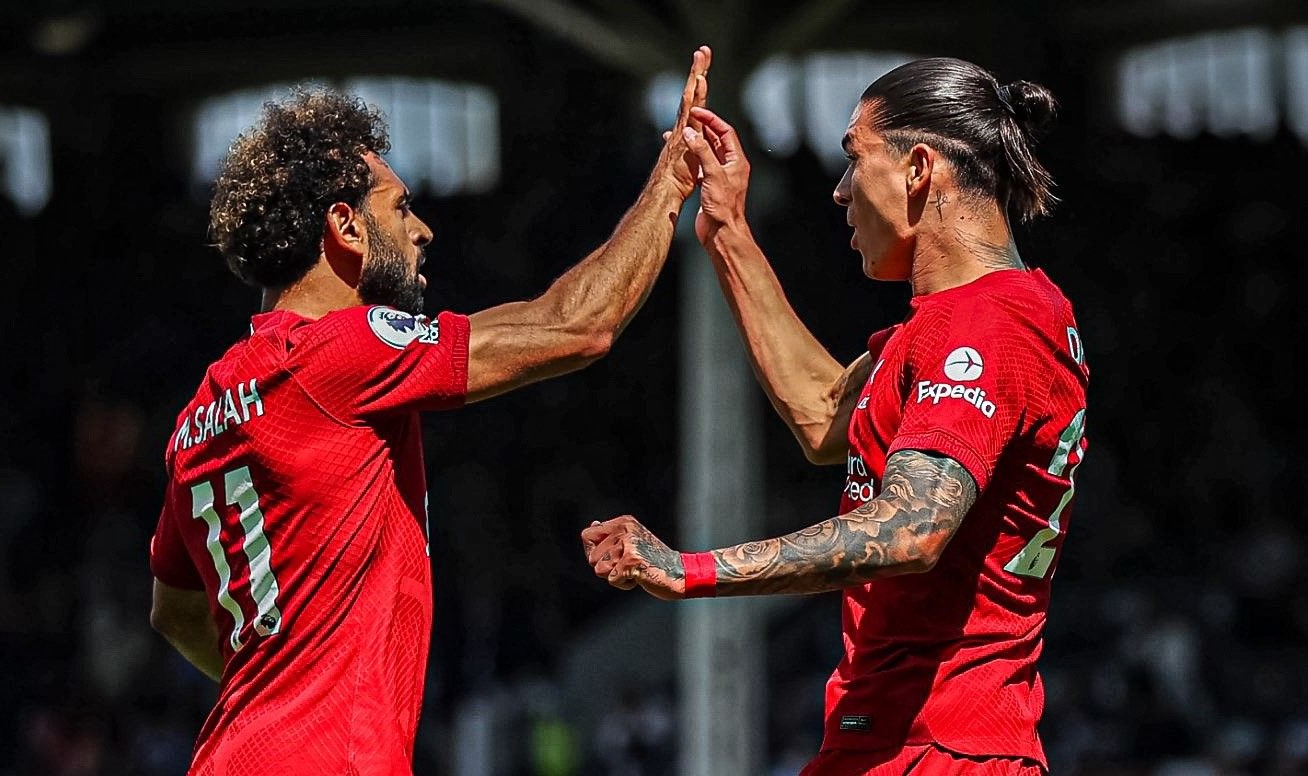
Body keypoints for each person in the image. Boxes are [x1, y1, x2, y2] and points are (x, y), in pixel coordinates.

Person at [147, 47, 712, 775]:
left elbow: (174, 610)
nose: (424, 231)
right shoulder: (340, 351)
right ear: (346, 228)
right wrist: (671, 178)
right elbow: (576, 325)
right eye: (402, 208)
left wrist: (284, 690)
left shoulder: (203, 408)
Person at [581, 56, 1088, 775]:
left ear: (919, 168)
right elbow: (825, 418)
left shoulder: (986, 325)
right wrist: (726, 229)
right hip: (895, 739)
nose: (840, 188)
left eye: (855, 159)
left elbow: (911, 529)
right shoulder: (968, 322)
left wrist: (687, 569)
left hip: (940, 745)